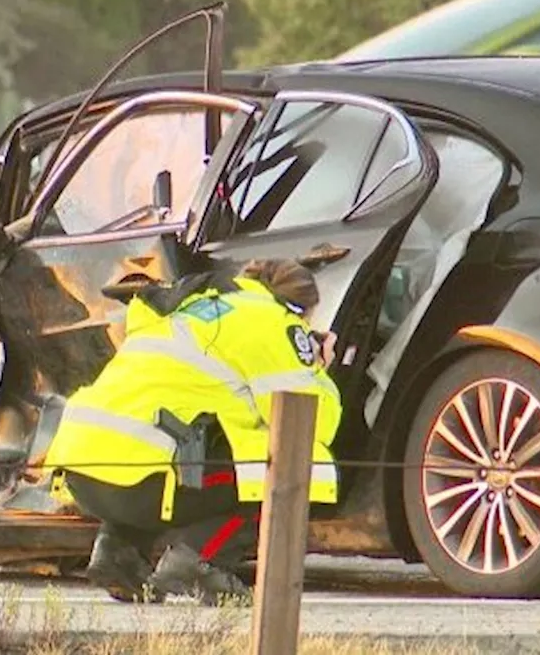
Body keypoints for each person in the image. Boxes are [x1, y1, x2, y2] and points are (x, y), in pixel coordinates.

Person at [41, 259, 343, 606]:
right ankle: (198, 562)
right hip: (145, 481)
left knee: (177, 445)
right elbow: (311, 422)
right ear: (299, 309)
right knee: (299, 465)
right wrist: (319, 368)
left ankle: (119, 552)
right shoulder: (272, 321)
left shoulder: (190, 307)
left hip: (83, 472)